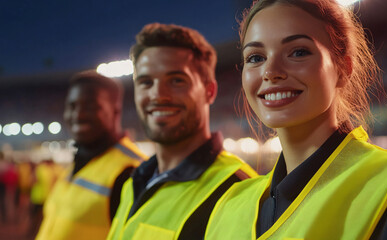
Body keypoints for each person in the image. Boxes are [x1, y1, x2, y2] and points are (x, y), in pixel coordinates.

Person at [205, 0, 387, 240]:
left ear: (343, 68)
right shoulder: (228, 205)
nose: (270, 71)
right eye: (255, 57)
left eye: (298, 52)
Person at [107, 23, 258, 240]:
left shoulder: (237, 190)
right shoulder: (133, 183)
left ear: (209, 91)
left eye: (177, 80)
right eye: (146, 82)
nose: (158, 95)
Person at [36, 71, 147, 240]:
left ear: (116, 111)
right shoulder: (77, 164)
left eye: (90, 107)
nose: (78, 115)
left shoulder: (131, 172)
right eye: (72, 106)